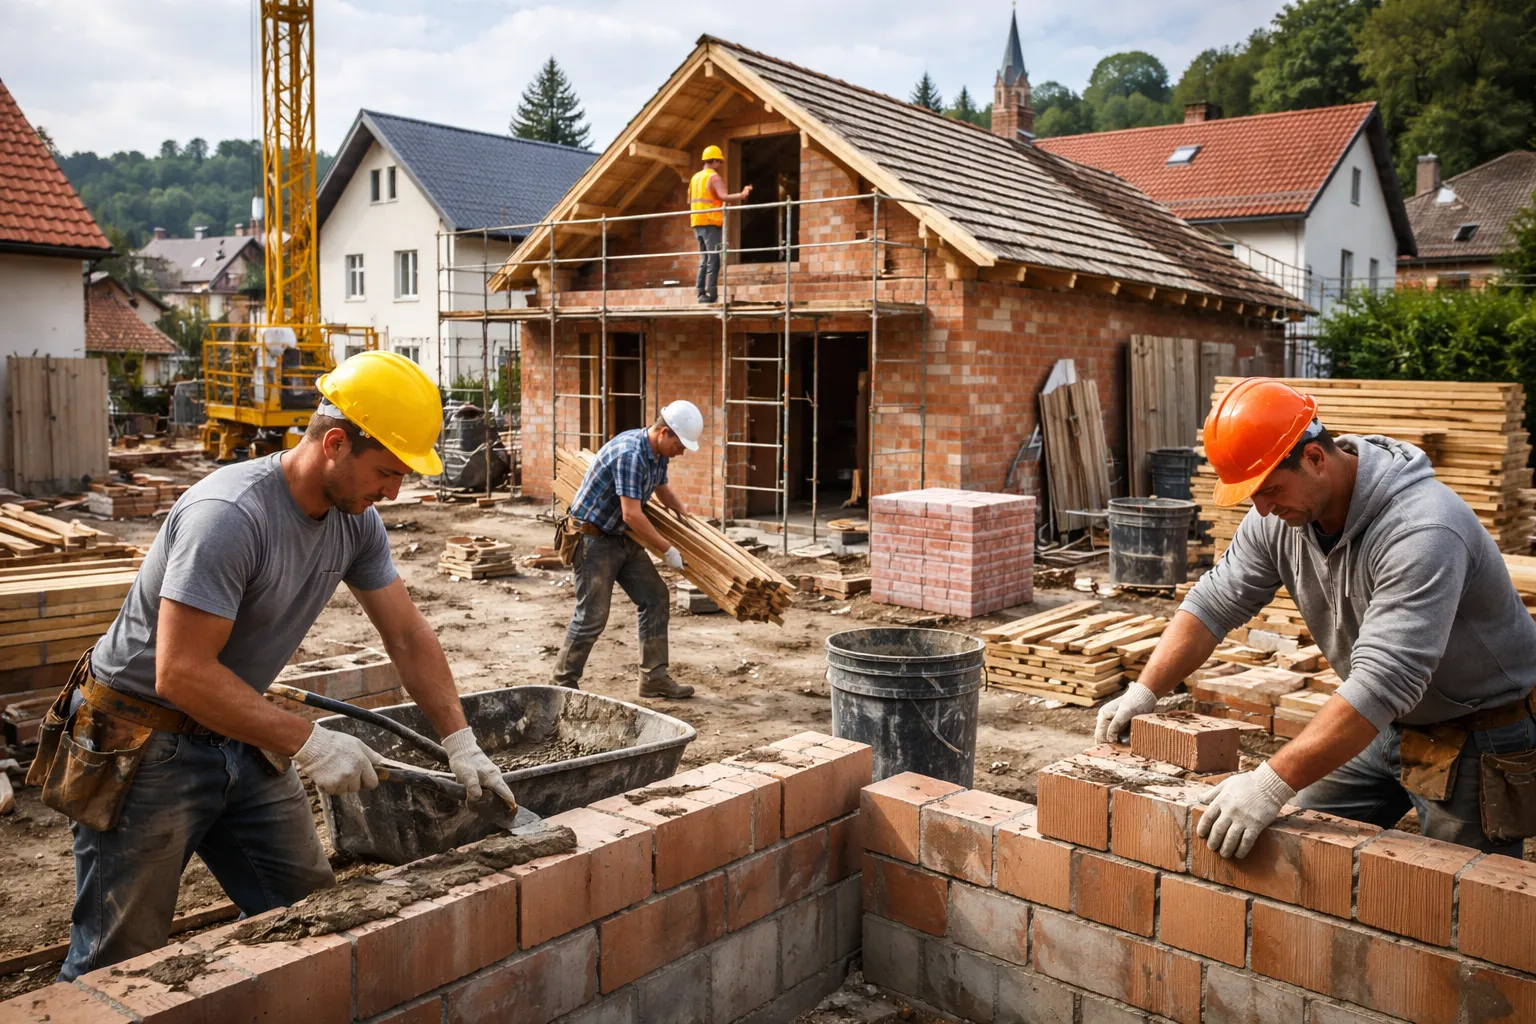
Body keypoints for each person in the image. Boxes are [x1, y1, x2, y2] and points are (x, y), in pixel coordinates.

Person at [39, 351, 516, 980]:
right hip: (144, 740)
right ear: (336, 444)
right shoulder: (229, 516)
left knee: (310, 913)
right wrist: (310, 742)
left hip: (237, 727)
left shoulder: (355, 521)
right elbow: (180, 673)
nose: (393, 492)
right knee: (119, 959)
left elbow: (405, 634)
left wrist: (459, 739)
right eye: (387, 472)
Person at [1096, 377, 1536, 859]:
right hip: (1383, 722)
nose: (1262, 508)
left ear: (1314, 458)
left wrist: (1268, 784)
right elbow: (1214, 602)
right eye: (1252, 494)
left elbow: (1385, 680)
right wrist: (1144, 691)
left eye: (1270, 489)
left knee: (1461, 890)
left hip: (1478, 730)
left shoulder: (1423, 529)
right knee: (1293, 844)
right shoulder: (1282, 516)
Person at [553, 401, 704, 698]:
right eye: (679, 445)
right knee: (592, 616)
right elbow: (632, 514)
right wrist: (667, 550)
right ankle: (562, 685)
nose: (681, 452)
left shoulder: (657, 453)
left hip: (621, 536)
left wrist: (684, 513)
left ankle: (653, 678)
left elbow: (662, 488)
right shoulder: (630, 454)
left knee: (655, 597)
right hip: (594, 539)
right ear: (664, 433)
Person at [689, 144, 753, 304]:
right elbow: (723, 196)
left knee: (704, 259)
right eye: (720, 161)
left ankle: (700, 293)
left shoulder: (695, 178)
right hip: (710, 222)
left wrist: (718, 204)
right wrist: (742, 194)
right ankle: (711, 294)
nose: (720, 165)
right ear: (715, 161)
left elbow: (693, 200)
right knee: (714, 259)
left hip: (697, 221)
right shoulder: (713, 177)